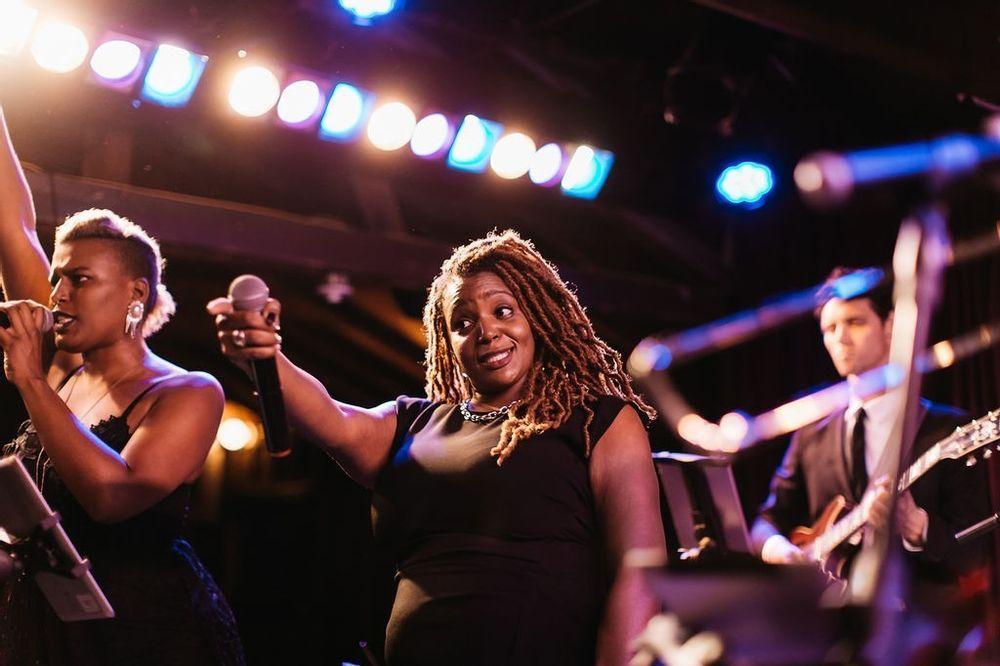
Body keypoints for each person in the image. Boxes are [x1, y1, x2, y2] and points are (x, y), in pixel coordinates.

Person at [209, 230, 667, 665]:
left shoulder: (596, 422)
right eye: (463, 323)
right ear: (447, 344)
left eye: (503, 311)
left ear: (540, 316)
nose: (486, 331)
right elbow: (333, 419)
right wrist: (263, 356)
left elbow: (639, 572)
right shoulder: (416, 423)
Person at [0, 106, 244, 665]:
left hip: (144, 631)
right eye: (56, 278)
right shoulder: (64, 370)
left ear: (136, 294)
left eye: (80, 279)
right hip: (45, 626)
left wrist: (31, 380)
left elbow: (113, 497)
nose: (58, 294)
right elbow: (13, 227)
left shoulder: (188, 392)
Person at [751, 267, 991, 650]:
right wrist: (782, 552)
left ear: (891, 325)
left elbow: (977, 556)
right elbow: (766, 522)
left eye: (855, 322)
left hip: (924, 639)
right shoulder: (812, 432)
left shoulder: (949, 429)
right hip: (830, 634)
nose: (840, 338)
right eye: (830, 328)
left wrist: (918, 527)